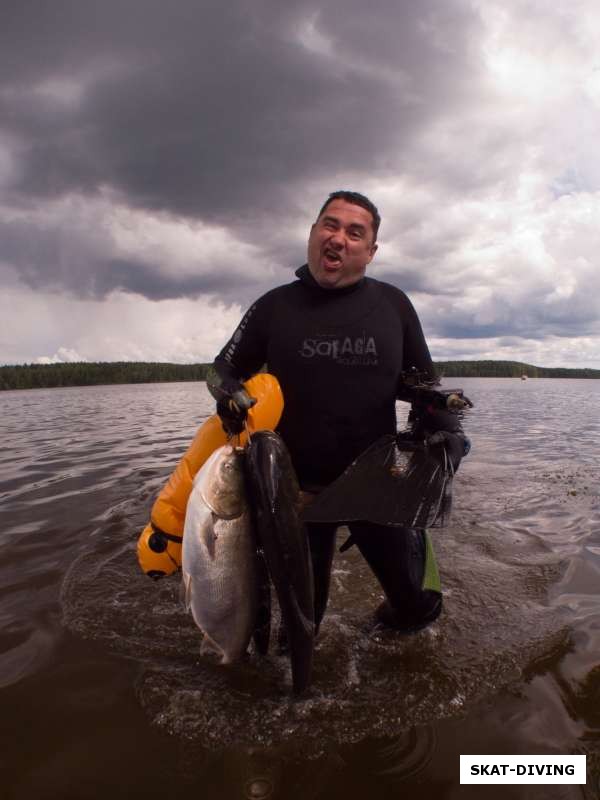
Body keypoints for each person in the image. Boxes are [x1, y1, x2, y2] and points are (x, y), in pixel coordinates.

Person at [207, 190, 469, 634]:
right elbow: (221, 370)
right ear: (312, 234)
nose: (339, 238)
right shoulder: (274, 306)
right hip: (295, 492)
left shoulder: (394, 306)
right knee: (301, 627)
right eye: (329, 225)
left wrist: (444, 432)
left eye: (354, 232)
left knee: (418, 609)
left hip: (376, 482)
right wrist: (228, 394)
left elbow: (424, 389)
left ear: (370, 251)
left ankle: (380, 635)